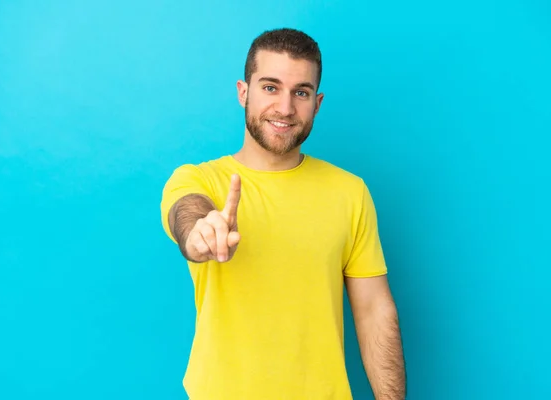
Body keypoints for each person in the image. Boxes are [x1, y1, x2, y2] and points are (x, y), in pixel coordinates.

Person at [160, 27, 406, 400]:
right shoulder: (200, 180)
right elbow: (187, 213)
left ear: (317, 103)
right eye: (270, 87)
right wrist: (200, 232)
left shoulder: (350, 192)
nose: (286, 108)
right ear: (244, 92)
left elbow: (374, 310)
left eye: (301, 93)